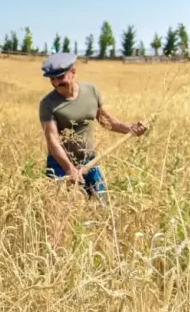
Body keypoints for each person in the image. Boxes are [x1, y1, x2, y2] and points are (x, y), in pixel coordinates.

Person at [39, 53, 148, 202]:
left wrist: (131, 129)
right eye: (52, 79)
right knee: (59, 209)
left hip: (89, 160)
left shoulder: (90, 91)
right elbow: (52, 140)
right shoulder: (48, 103)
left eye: (60, 77)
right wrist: (69, 168)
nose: (56, 83)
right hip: (59, 164)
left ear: (73, 72)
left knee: (100, 204)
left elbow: (106, 120)